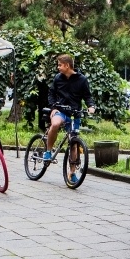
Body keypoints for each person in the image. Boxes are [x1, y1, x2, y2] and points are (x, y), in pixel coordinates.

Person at [44, 54, 96, 182]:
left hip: (74, 113)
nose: (58, 67)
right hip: (60, 111)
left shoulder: (82, 80)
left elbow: (88, 96)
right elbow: (51, 93)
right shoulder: (58, 78)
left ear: (67, 65)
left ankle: (72, 173)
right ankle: (48, 151)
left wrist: (91, 106)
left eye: (60, 65)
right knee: (55, 124)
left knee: (73, 143)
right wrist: (53, 107)